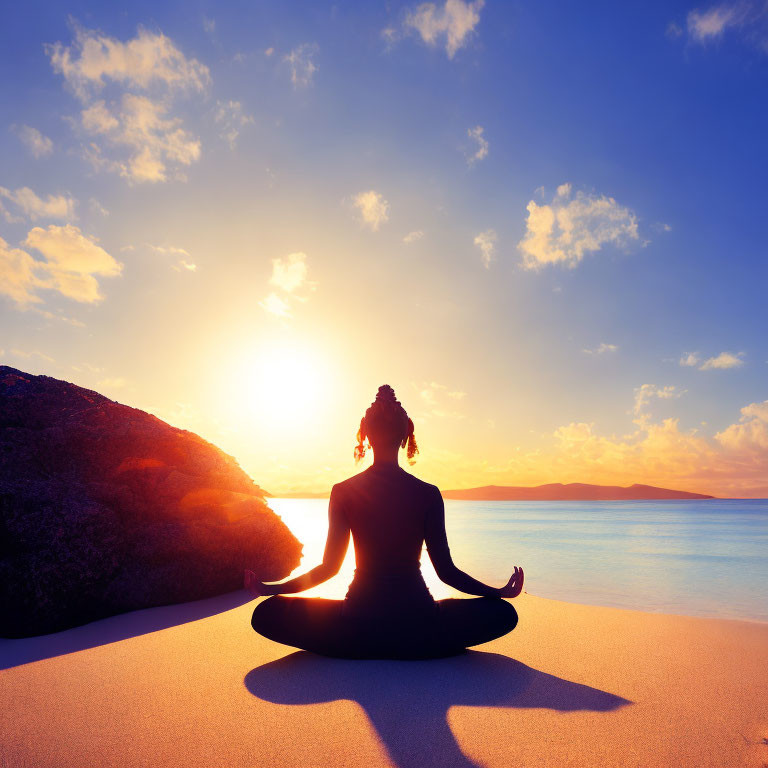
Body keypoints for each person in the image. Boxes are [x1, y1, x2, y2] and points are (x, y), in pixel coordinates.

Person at [246, 384, 524, 660]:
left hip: (357, 627)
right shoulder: (428, 494)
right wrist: (496, 592)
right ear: (406, 436)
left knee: (267, 613)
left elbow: (328, 569)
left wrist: (273, 588)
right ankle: (415, 644)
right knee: (502, 613)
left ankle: (359, 643)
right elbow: (446, 572)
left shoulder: (343, 491)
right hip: (418, 627)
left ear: (365, 435)